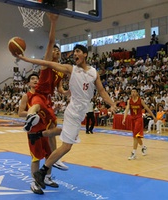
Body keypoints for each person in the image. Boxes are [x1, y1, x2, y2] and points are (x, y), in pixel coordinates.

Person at [16, 44, 117, 190]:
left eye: (77, 51)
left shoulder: (94, 72)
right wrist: (24, 58)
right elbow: (47, 63)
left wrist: (111, 104)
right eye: (73, 52)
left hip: (81, 112)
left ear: (85, 55)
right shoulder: (71, 69)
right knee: (67, 146)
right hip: (73, 112)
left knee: (60, 132)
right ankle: (43, 171)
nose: (74, 54)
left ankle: (37, 135)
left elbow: (101, 90)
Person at [22, 13, 69, 171]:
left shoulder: (61, 71)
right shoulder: (47, 63)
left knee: (53, 129)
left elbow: (60, 89)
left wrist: (70, 93)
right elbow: (50, 41)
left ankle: (54, 157)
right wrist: (53, 23)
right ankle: (30, 119)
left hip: (48, 99)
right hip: (39, 95)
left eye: (57, 51)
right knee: (35, 105)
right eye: (54, 50)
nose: (55, 52)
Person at [18, 73, 59, 194]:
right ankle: (34, 183)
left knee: (50, 154)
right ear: (29, 83)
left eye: (37, 79)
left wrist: (54, 109)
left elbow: (48, 112)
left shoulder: (44, 96)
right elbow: (20, 113)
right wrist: (34, 113)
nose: (36, 80)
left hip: (46, 130)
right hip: (34, 131)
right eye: (32, 79)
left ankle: (47, 178)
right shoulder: (27, 96)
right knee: (36, 157)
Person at [122, 88, 157, 160]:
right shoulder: (129, 101)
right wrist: (124, 118)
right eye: (132, 91)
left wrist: (154, 117)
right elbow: (127, 109)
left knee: (135, 136)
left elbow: (147, 109)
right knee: (137, 136)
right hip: (132, 119)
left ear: (137, 93)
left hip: (139, 119)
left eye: (134, 91)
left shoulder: (140, 100)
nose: (133, 93)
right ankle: (143, 147)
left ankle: (134, 153)